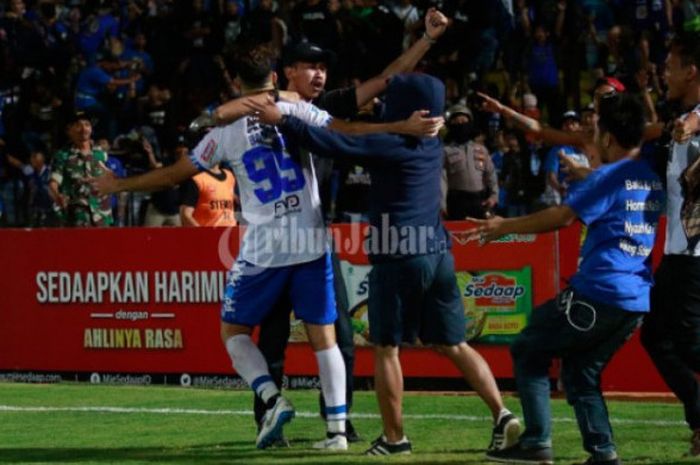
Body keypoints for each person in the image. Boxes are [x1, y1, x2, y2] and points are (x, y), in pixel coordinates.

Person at [202, 8, 450, 443]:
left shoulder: (326, 109)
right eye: (311, 66)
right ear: (285, 73)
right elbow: (224, 111)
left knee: (341, 337)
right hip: (269, 242)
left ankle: (339, 422)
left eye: (323, 68)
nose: (319, 75)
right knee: (272, 341)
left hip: (315, 239)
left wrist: (426, 40)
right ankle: (269, 422)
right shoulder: (265, 109)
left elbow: (388, 79)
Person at [91, 45, 350, 451]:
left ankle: (271, 397)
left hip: (264, 246)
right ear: (277, 77)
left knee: (233, 331)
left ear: (234, 82)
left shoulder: (223, 134)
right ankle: (337, 432)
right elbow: (343, 130)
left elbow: (174, 175)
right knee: (325, 337)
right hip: (310, 238)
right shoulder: (297, 109)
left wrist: (118, 185)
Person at [248, 73, 520, 457]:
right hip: (438, 254)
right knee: (455, 344)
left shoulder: (392, 144)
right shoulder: (430, 144)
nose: (381, 106)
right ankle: (503, 414)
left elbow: (333, 142)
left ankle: (395, 440)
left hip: (399, 254)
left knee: (387, 349)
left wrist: (285, 120)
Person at [469, 94, 663, 465]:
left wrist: (503, 226)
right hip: (635, 301)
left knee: (528, 348)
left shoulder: (606, 177)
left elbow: (561, 218)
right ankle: (603, 452)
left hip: (599, 291)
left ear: (606, 137)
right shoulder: (648, 178)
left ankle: (537, 442)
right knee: (581, 370)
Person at [640, 31, 700, 458]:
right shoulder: (680, 121)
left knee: (686, 344)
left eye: (671, 66)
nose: (666, 74)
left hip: (692, 257)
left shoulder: (692, 121)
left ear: (691, 70)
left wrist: (691, 124)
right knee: (657, 337)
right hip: (679, 252)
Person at [49, 112, 113, 227]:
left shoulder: (100, 153)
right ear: (69, 130)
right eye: (78, 125)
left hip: (102, 215)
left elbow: (109, 177)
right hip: (76, 216)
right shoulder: (63, 155)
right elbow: (53, 183)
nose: (84, 128)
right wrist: (58, 196)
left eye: (87, 124)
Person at [443, 104, 498, 220]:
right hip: (456, 202)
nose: (460, 124)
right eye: (456, 121)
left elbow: (491, 174)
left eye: (463, 120)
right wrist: (441, 204)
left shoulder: (481, 149)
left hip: (479, 201)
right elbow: (442, 180)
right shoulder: (445, 151)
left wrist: (494, 196)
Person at [541, 110, 589, 206]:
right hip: (568, 201)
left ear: (580, 126)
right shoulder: (557, 150)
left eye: (573, 123)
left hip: (586, 198)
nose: (570, 127)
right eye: (566, 124)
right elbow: (551, 176)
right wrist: (560, 190)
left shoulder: (587, 148)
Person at [179, 162, 236, 227]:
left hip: (230, 232)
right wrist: (203, 234)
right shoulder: (197, 179)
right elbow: (185, 215)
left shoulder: (230, 176)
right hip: (208, 234)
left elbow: (226, 195)